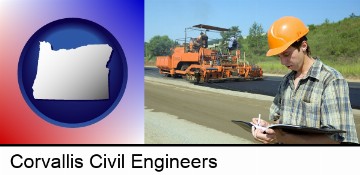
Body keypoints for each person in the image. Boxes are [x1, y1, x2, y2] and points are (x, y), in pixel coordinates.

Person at [251, 16, 358, 144]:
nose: (282, 62)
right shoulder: (286, 81)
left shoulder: (330, 80)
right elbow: (281, 122)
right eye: (279, 56)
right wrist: (268, 128)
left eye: (286, 54)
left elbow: (338, 141)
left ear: (303, 46)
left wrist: (281, 137)